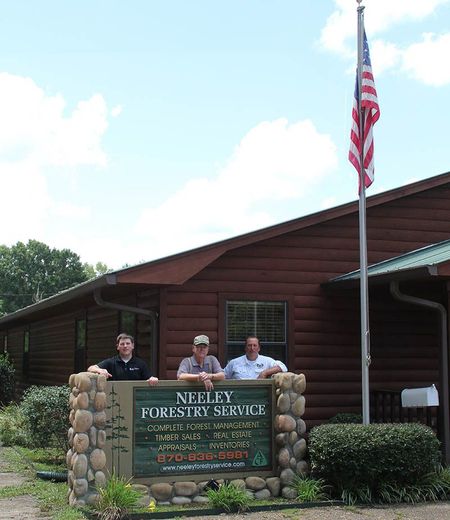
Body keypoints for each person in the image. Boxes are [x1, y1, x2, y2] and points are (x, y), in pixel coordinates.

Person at [87, 333, 158, 386]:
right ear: (117, 347)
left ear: (132, 346)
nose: (125, 346)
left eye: (128, 343)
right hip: (115, 398)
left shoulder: (140, 364)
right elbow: (90, 368)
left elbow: (149, 378)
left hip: (134, 399)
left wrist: (153, 379)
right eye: (122, 344)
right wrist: (100, 370)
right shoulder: (111, 362)